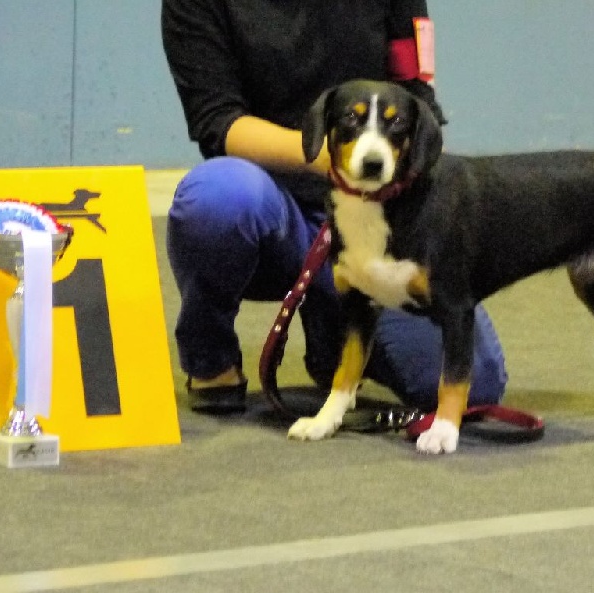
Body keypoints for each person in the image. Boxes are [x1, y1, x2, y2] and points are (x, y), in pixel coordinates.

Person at [161, 0, 508, 415]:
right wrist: (331, 158)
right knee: (216, 198)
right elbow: (216, 122)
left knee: (480, 383)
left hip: (379, 216)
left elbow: (417, 96)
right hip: (274, 210)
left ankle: (332, 336)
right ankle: (211, 359)